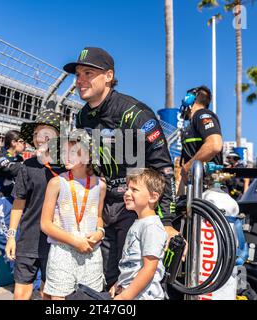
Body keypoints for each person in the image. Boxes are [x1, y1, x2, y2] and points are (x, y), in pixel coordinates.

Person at [64, 47, 178, 290]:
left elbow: (164, 166)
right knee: (105, 280)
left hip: (134, 207)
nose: (80, 80)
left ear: (108, 76)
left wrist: (166, 221)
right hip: (102, 206)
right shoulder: (82, 116)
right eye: (77, 74)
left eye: (88, 73)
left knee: (135, 281)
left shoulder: (133, 112)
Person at [5, 109, 66, 300]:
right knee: (21, 292)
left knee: (48, 292)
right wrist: (12, 236)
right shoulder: (28, 166)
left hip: (57, 240)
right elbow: (18, 204)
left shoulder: (69, 166)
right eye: (37, 133)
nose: (41, 138)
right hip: (28, 238)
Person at [41, 131, 106, 300]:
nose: (66, 157)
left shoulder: (100, 185)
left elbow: (99, 217)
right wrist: (74, 241)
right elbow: (45, 224)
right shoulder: (56, 182)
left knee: (91, 298)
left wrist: (100, 232)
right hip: (62, 251)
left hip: (91, 252)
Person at [110, 168, 168, 300]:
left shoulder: (151, 227)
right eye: (127, 189)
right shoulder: (139, 223)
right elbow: (132, 264)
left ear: (153, 197)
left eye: (134, 190)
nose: (127, 193)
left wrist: (126, 296)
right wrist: (119, 283)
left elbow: (149, 269)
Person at [0, 130, 25, 263]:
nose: (25, 144)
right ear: (13, 142)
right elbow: (13, 169)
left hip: (14, 202)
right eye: (22, 141)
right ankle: (22, 281)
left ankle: (30, 282)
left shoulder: (19, 159)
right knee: (7, 242)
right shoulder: (0, 157)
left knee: (20, 242)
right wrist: (34, 162)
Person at [177, 86, 223, 194]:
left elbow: (214, 145)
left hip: (209, 192)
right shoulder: (194, 122)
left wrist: (187, 167)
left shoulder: (201, 115)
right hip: (197, 190)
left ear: (189, 99)